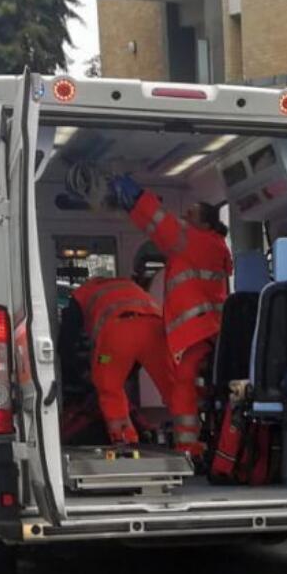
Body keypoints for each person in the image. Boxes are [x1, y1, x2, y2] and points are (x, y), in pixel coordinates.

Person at [112, 175, 233, 458]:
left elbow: (161, 222)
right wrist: (132, 208)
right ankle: (196, 441)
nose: (184, 217)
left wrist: (137, 196)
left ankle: (188, 446)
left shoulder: (193, 240)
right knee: (193, 387)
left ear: (204, 223)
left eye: (190, 215)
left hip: (195, 331)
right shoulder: (211, 245)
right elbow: (157, 229)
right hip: (207, 329)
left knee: (183, 389)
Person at [57, 276, 179, 446]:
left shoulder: (81, 294)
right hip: (156, 330)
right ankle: (189, 440)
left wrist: (72, 370)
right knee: (175, 389)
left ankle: (124, 439)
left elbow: (67, 340)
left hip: (117, 336)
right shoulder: (129, 286)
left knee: (109, 388)